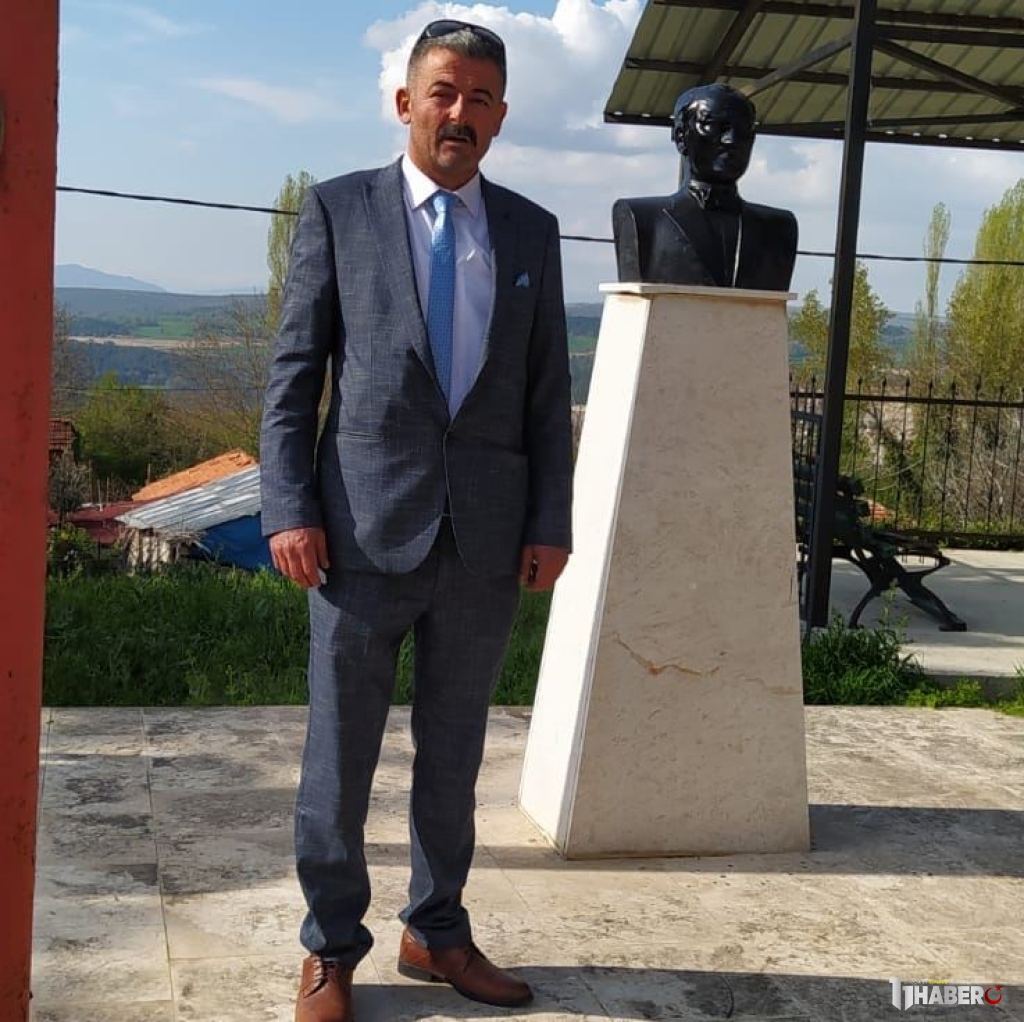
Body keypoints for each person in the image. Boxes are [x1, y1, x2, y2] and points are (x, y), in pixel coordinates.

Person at [259, 18, 573, 1022]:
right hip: (357, 535)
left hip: (483, 541)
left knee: (454, 755)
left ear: (501, 116)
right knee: (339, 759)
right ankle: (329, 947)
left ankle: (436, 931)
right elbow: (294, 376)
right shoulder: (339, 210)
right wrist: (289, 505)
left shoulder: (530, 231)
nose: (459, 113)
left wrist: (550, 519)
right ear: (405, 102)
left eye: (480, 98)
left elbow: (544, 393)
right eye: (443, 92)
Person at [612, 83, 798, 290]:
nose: (731, 140)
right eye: (714, 125)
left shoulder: (780, 229)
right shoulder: (642, 219)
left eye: (743, 128)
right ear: (681, 136)